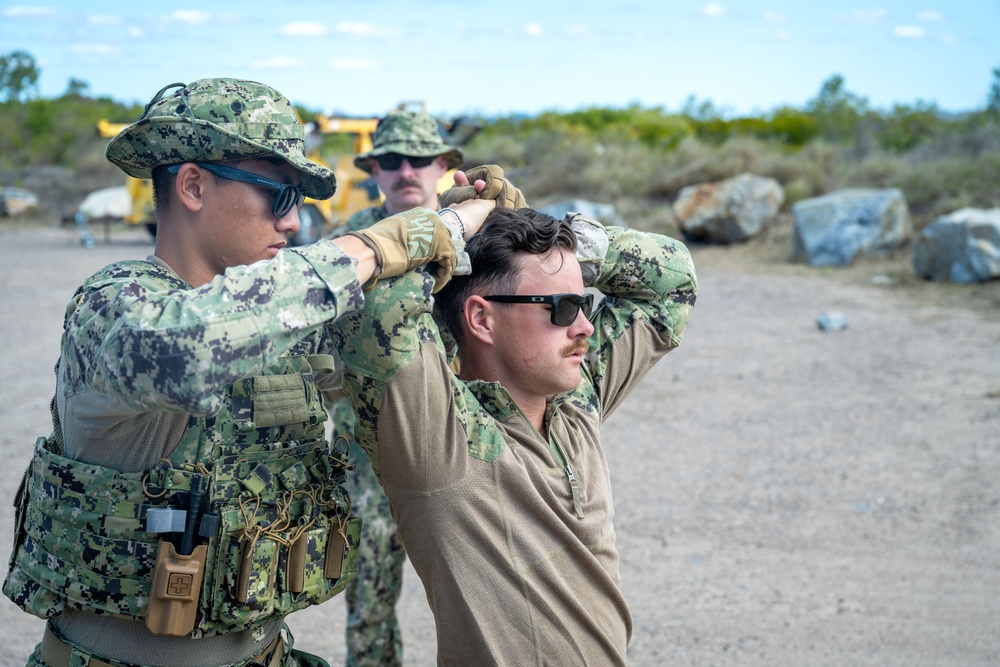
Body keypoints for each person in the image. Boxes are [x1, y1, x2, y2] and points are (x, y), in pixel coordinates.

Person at [2, 78, 479, 667]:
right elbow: (186, 348)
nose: (293, 222)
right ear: (194, 186)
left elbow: (419, 361)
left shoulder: (283, 320)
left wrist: (474, 241)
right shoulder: (116, 308)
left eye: (301, 202)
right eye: (279, 196)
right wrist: (372, 248)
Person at [328, 171, 698, 666]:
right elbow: (378, 309)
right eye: (562, 307)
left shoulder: (575, 402)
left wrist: (545, 235)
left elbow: (673, 282)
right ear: (481, 319)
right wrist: (454, 230)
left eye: (584, 302)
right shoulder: (442, 441)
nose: (585, 325)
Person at [324, 108, 464, 667]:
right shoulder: (347, 251)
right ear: (373, 170)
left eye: (419, 159)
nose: (405, 170)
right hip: (368, 460)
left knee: (479, 602)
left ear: (444, 166)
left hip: (461, 451)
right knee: (370, 607)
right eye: (389, 160)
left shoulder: (478, 241)